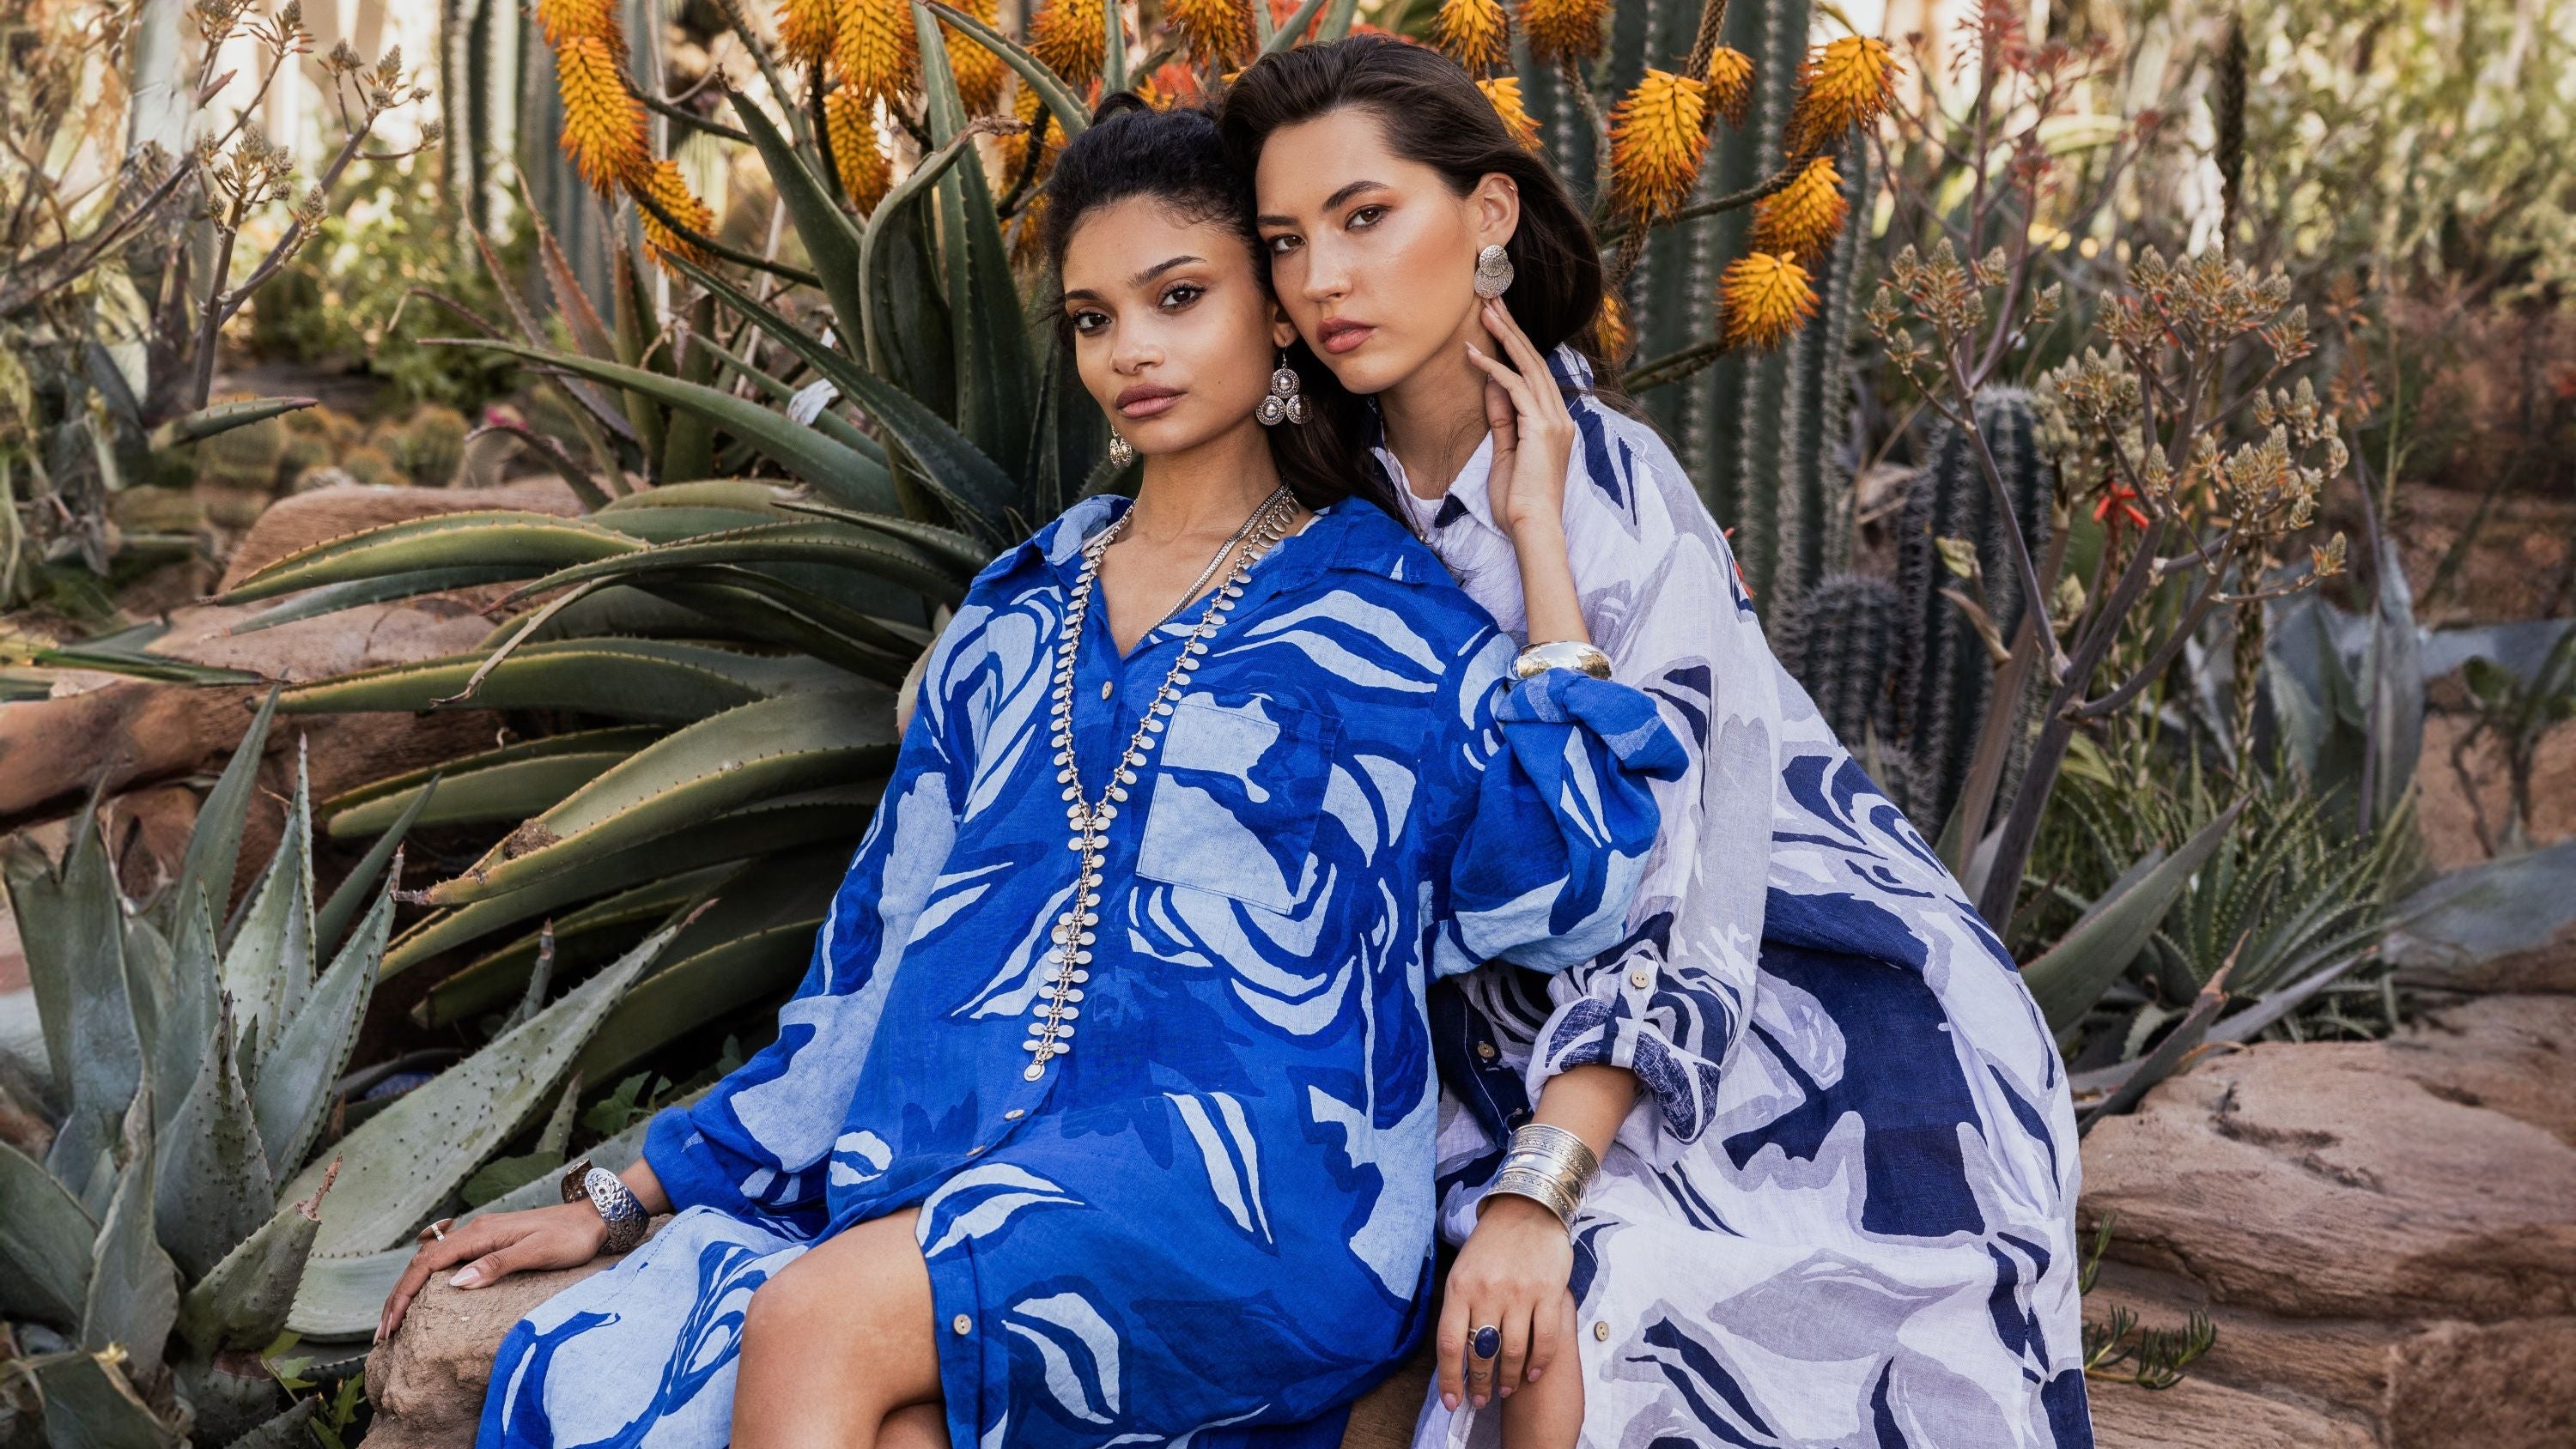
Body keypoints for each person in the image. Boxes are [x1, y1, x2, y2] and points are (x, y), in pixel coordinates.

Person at [377, 97, 1686, 1449]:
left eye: (1180, 297)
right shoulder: (1011, 617)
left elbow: (1569, 877)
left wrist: (1539, 545)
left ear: (1279, 314)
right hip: (961, 1172)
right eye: (1094, 318)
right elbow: (870, 973)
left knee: (819, 1321)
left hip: (1253, 1202)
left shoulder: (1390, 623)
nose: (1134, 352)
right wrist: (620, 1196)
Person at [1221, 37, 2093, 1449]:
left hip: (1782, 1018)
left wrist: (1538, 1189)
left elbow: (1689, 882)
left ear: (1488, 218)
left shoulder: (1615, 489)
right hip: (1466, 1037)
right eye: (1285, 240)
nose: (1323, 278)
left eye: (1366, 215)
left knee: (1599, 1305)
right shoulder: (1321, 499)